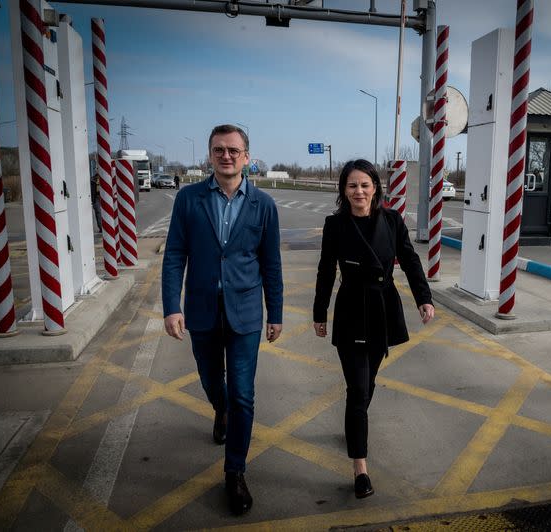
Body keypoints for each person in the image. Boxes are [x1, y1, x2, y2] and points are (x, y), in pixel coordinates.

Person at [162, 124, 283, 516]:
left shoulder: (263, 205)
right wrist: (171, 306)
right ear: (209, 156)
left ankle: (235, 473)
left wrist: (275, 312)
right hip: (201, 311)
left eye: (233, 150)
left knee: (244, 394)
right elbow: (175, 254)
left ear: (247, 157)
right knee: (214, 382)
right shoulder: (188, 199)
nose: (226, 156)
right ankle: (220, 407)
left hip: (246, 313)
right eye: (219, 150)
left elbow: (271, 263)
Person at [312, 159, 435, 499]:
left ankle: (355, 427)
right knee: (358, 389)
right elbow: (325, 270)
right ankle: (360, 468)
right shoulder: (335, 226)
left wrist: (424, 299)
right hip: (351, 308)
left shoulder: (393, 221)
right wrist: (319, 313)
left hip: (382, 309)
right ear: (344, 191)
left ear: (376, 189)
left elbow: (410, 261)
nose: (359, 191)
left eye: (365, 185)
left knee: (368, 383)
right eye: (352, 186)